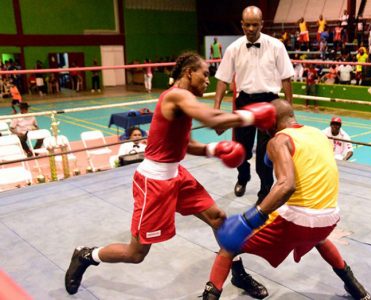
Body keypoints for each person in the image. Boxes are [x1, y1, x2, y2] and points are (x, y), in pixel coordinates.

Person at [64, 52, 277, 296]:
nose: (208, 81)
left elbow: (186, 144)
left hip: (177, 176)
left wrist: (213, 149)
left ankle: (237, 273)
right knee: (136, 254)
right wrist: (251, 116)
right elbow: (211, 118)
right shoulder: (176, 96)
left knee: (218, 218)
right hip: (153, 183)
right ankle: (86, 255)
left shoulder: (183, 101)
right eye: (205, 75)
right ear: (189, 73)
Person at [202, 99, 371, 300]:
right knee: (319, 239)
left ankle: (215, 292)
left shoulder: (279, 141)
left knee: (229, 243)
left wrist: (250, 219)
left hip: (295, 221)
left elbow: (286, 185)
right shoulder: (319, 134)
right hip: (329, 219)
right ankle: (355, 286)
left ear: (269, 122)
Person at [213, 6, 294, 204]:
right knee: (241, 150)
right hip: (245, 102)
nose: (250, 28)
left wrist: (288, 111)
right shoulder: (233, 48)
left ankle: (265, 192)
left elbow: (286, 79)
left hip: (270, 103)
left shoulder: (276, 46)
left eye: (254, 25)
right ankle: (243, 177)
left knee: (266, 154)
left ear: (261, 24)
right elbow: (222, 80)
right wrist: (216, 111)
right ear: (242, 24)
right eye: (247, 24)